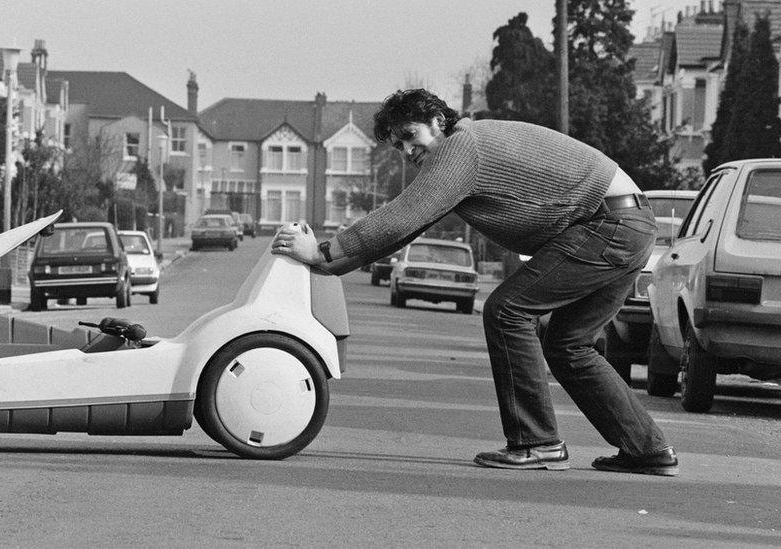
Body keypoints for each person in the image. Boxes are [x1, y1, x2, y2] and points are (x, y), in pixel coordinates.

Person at [271, 88, 678, 476]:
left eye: (411, 137)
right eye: (399, 146)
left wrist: (322, 253)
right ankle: (648, 450)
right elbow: (411, 226)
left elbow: (404, 213)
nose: (408, 151)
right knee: (568, 344)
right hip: (630, 224)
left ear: (437, 120)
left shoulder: (461, 147)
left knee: (507, 311)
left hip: (609, 224)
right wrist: (332, 262)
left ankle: (537, 442)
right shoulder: (463, 149)